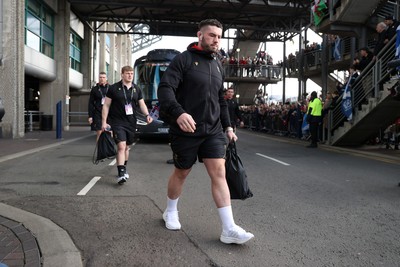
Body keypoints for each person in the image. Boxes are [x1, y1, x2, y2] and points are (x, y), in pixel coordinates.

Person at [157, 19, 254, 244]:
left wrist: (228, 127)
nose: (216, 40)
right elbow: (166, 89)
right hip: (186, 129)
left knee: (219, 173)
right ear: (199, 35)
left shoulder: (218, 64)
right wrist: (179, 113)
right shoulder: (183, 60)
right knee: (182, 172)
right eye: (211, 35)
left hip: (213, 131)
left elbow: (221, 100)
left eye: (219, 36)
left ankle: (229, 228)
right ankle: (170, 210)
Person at [102, 66, 153, 185]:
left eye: (131, 73)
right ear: (122, 74)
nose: (130, 75)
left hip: (131, 122)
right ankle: (121, 174)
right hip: (117, 122)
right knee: (121, 146)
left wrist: (147, 115)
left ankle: (123, 168)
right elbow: (106, 105)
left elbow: (142, 104)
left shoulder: (137, 89)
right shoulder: (114, 88)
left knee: (126, 148)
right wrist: (104, 122)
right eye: (127, 73)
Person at [88, 72, 109, 141]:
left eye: (103, 77)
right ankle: (99, 150)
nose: (102, 79)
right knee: (99, 133)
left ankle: (109, 150)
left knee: (110, 133)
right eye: (100, 77)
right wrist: (90, 116)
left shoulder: (111, 88)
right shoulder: (95, 89)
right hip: (98, 113)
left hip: (109, 114)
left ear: (106, 78)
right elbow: (91, 103)